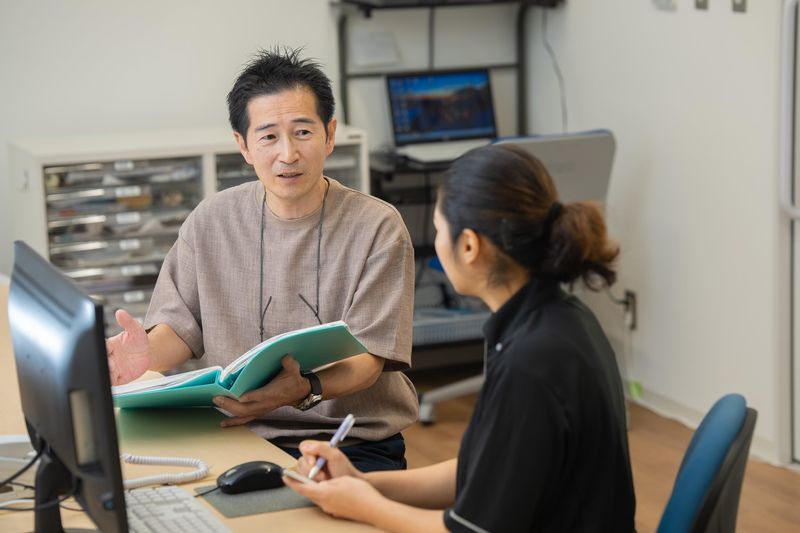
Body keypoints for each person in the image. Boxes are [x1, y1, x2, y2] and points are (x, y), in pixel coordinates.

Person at [284, 143, 637, 532]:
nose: (437, 241)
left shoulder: (531, 362)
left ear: (469, 246)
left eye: (438, 230)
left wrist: (363, 506)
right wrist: (361, 484)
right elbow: (482, 469)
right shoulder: (556, 319)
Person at [105, 47, 418, 472]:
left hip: (346, 441)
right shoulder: (211, 219)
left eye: (303, 133)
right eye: (268, 136)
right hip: (233, 431)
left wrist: (303, 389)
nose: (287, 153)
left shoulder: (378, 226)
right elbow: (180, 328)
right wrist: (145, 355)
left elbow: (368, 359)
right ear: (244, 146)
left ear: (329, 134)